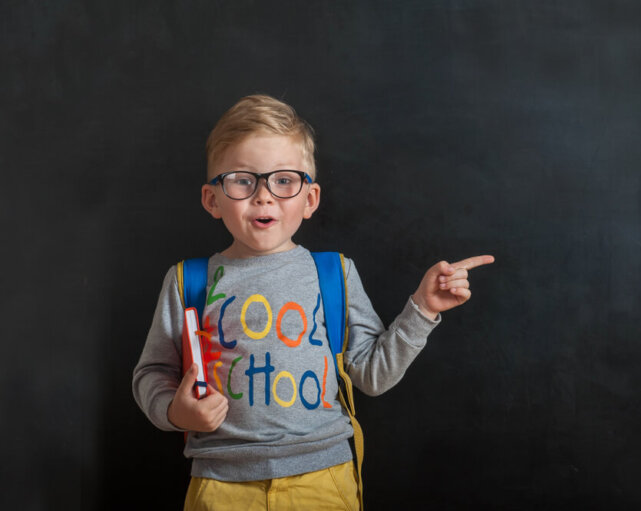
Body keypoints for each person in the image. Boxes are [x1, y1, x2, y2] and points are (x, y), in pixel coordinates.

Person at [132, 94, 494, 510]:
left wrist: (423, 309)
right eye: (242, 179)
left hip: (323, 480)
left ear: (310, 199)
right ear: (212, 199)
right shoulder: (187, 282)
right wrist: (178, 414)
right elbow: (152, 374)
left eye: (284, 180)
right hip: (221, 484)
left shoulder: (334, 275)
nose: (264, 196)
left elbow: (373, 376)